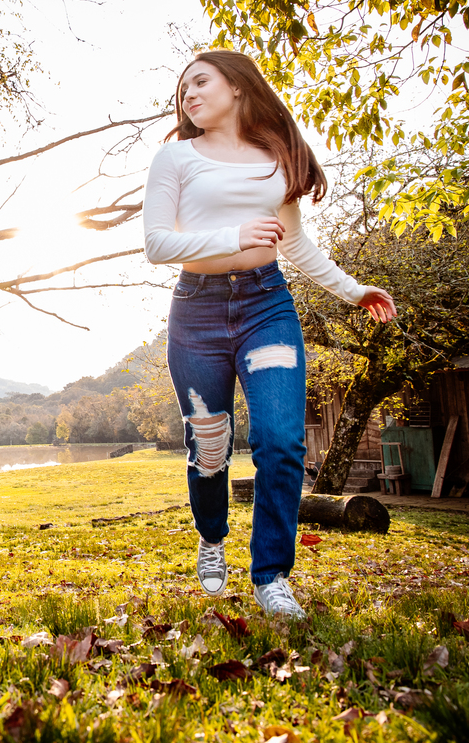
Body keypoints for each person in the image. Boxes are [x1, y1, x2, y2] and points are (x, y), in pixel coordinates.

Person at [142, 50, 397, 619]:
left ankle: (271, 575)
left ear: (237, 86)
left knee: (281, 443)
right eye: (182, 90)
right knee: (209, 448)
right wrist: (233, 235)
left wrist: (355, 290)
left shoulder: (277, 157)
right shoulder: (175, 157)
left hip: (266, 306)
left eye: (200, 82)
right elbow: (157, 244)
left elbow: (294, 241)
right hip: (197, 314)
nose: (188, 95)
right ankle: (212, 536)